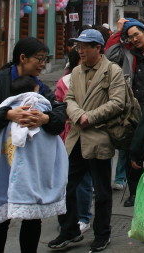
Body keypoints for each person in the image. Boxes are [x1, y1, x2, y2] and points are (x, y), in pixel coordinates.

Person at [0, 37, 67, 253]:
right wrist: (8, 113)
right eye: (40, 59)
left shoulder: (39, 87)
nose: (43, 64)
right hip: (2, 159)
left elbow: (59, 112)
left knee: (32, 217)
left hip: (31, 164)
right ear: (22, 58)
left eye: (46, 59)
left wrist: (45, 119)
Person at [48, 29, 133, 253]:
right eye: (79, 46)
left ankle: (102, 234)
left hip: (99, 137)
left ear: (98, 48)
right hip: (75, 136)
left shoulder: (112, 71)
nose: (80, 50)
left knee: (102, 191)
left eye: (85, 46)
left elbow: (117, 102)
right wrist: (79, 116)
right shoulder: (75, 71)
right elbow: (68, 98)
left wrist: (91, 117)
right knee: (65, 186)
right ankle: (70, 230)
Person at [105, 17, 144, 206]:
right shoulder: (127, 52)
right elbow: (108, 55)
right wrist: (118, 33)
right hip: (132, 109)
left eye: (136, 34)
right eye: (130, 36)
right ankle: (134, 192)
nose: (134, 39)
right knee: (132, 152)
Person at [54, 47, 94, 236]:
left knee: (82, 180)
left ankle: (83, 217)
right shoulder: (65, 81)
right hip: (68, 136)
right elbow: (60, 106)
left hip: (88, 135)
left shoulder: (98, 78)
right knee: (69, 179)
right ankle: (71, 219)